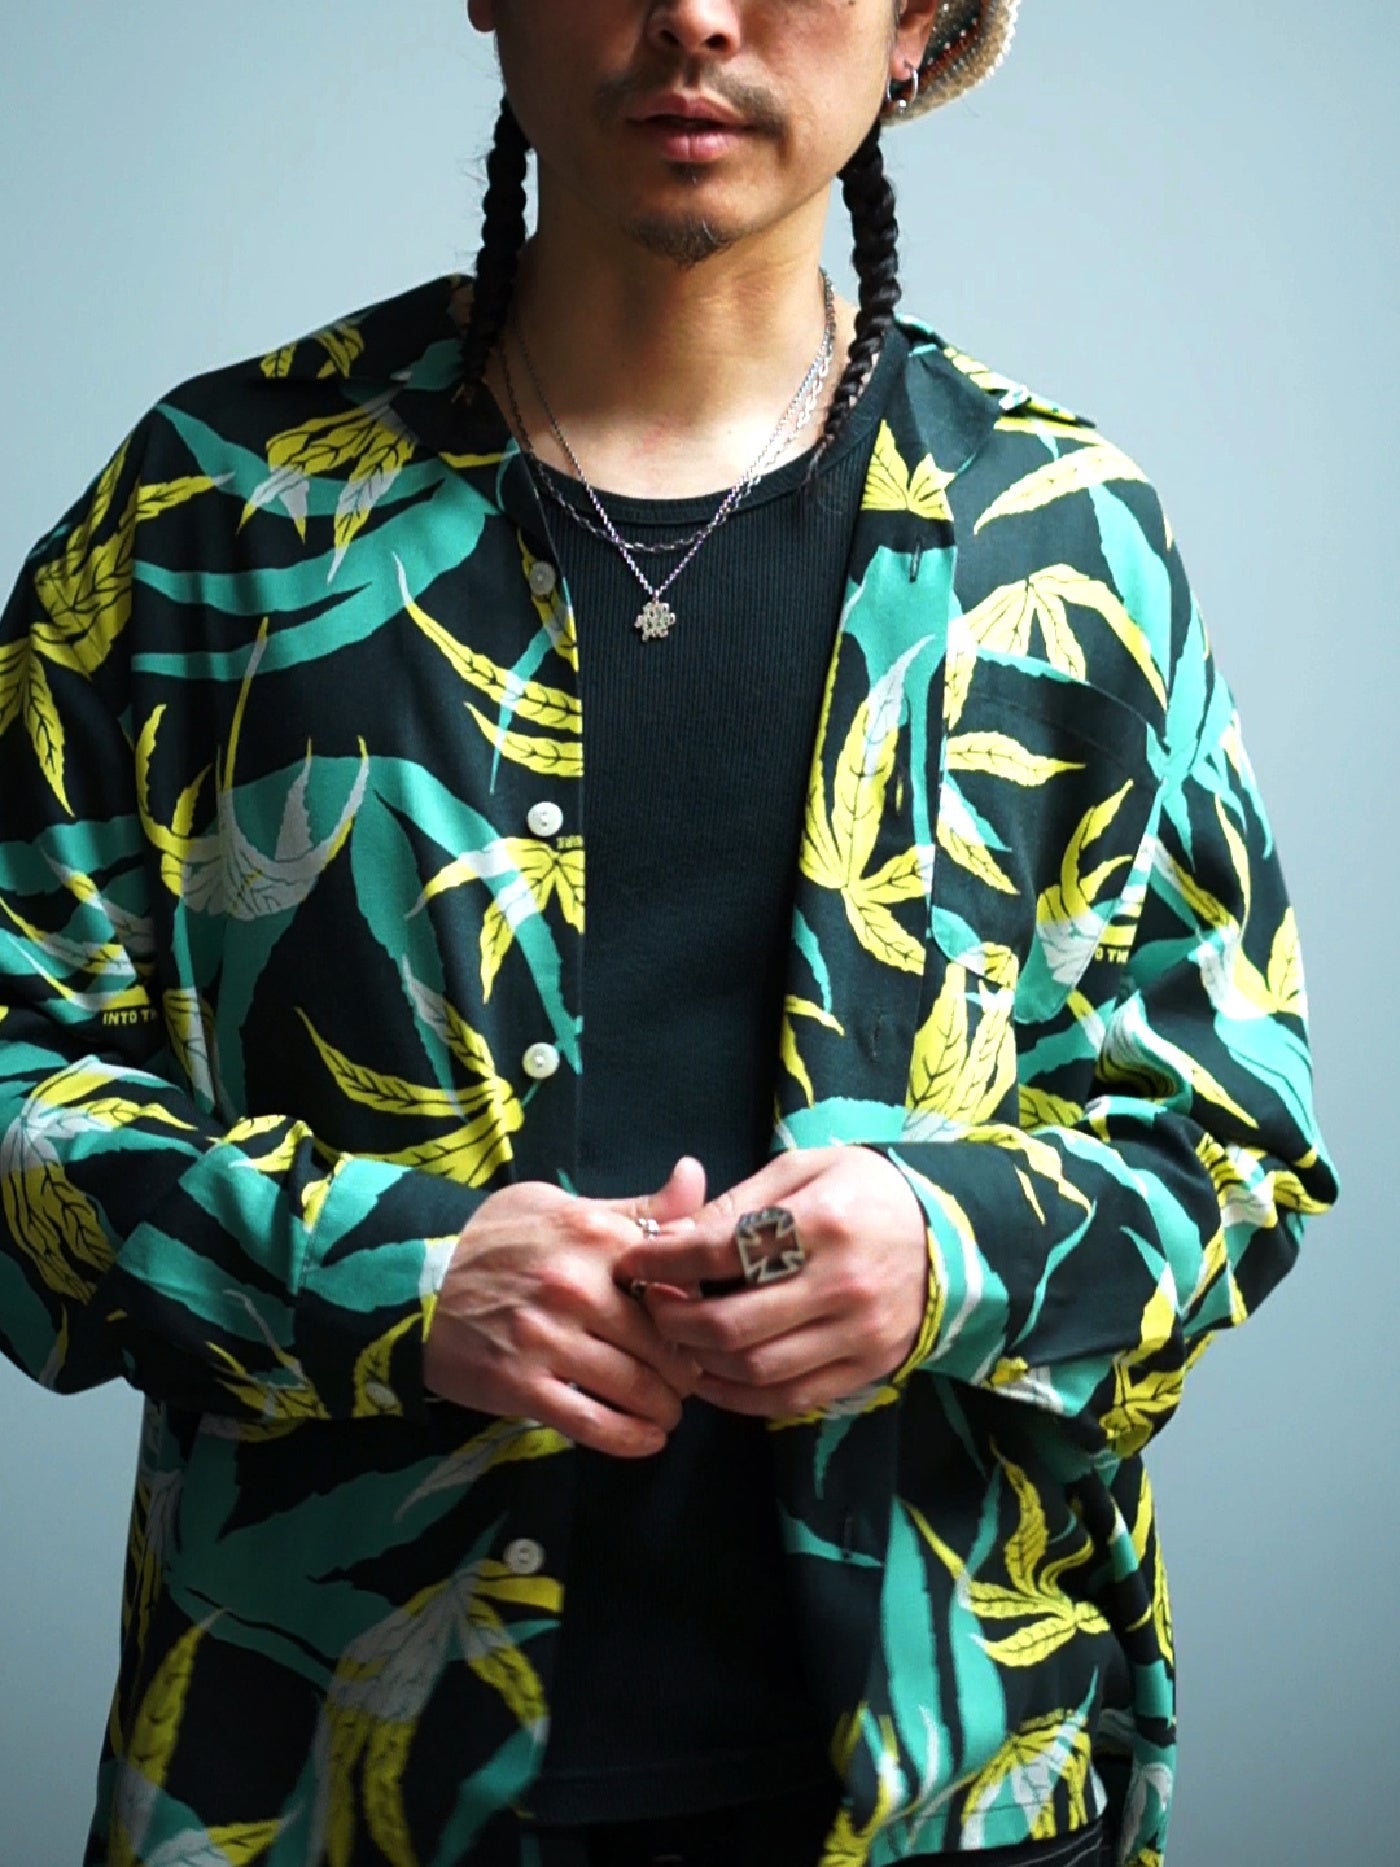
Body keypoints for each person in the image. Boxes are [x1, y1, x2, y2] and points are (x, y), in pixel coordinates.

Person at [0, 2, 1337, 1864]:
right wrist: (392, 1279)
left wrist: (941, 1248)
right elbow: (18, 1088)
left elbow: (1236, 1145)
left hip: (955, 1785)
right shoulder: (215, 510)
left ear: (916, 23)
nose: (697, 13)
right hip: (318, 1786)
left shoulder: (1060, 538)